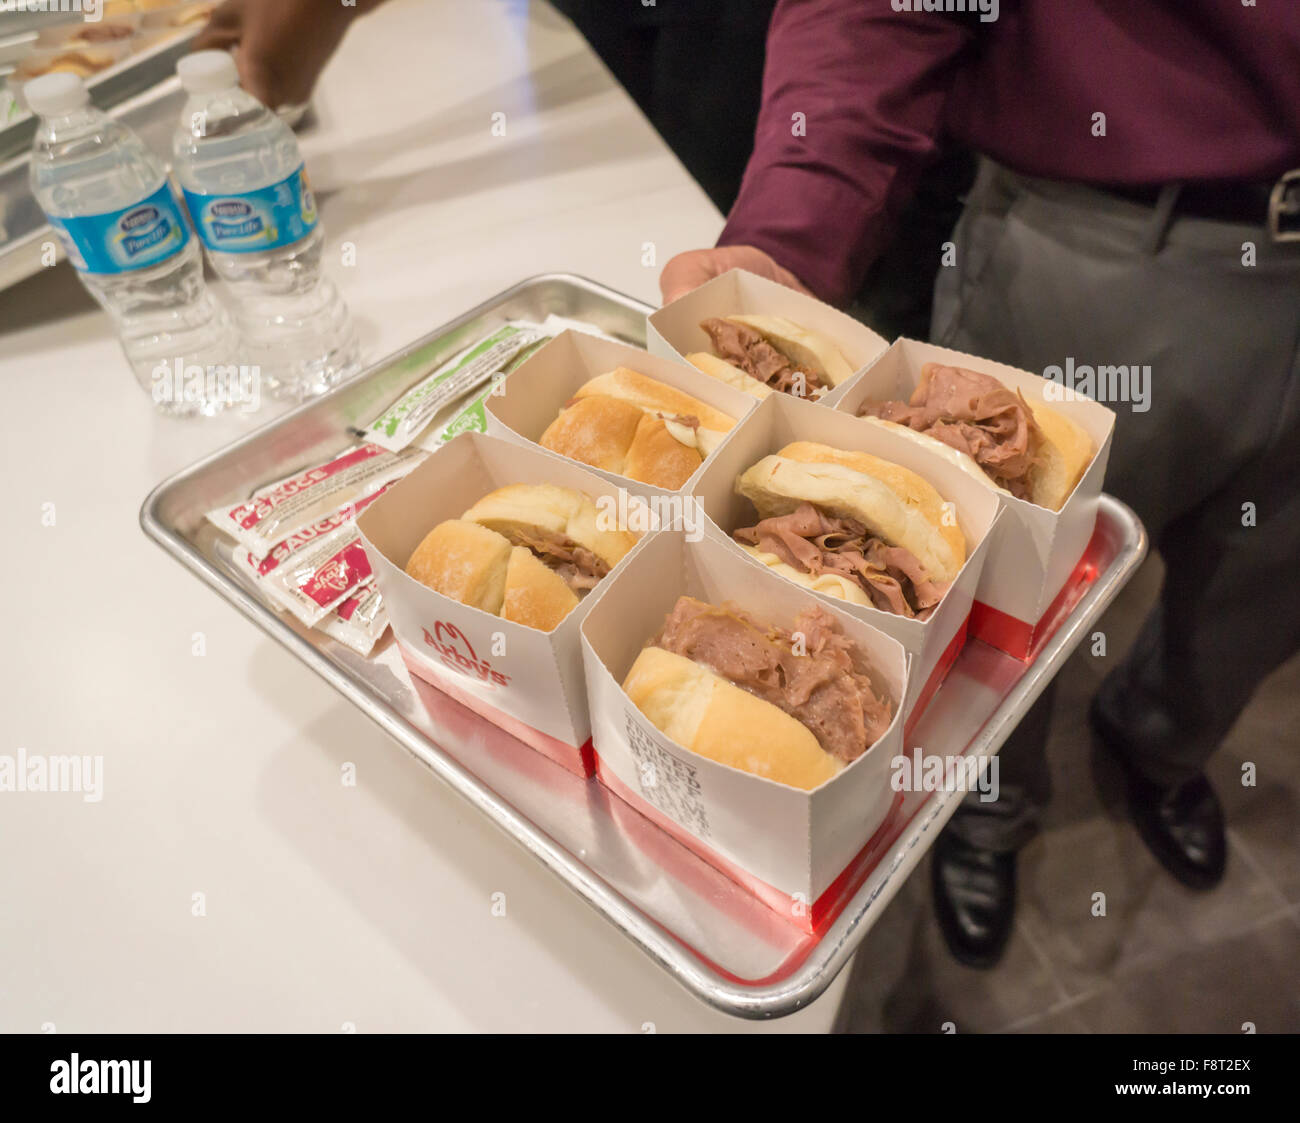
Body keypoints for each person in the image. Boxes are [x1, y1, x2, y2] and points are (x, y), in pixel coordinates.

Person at [663, 1, 1300, 968]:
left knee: (1259, 601)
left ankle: (1161, 747)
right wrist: (790, 234)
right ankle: (985, 808)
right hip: (1105, 241)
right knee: (993, 594)